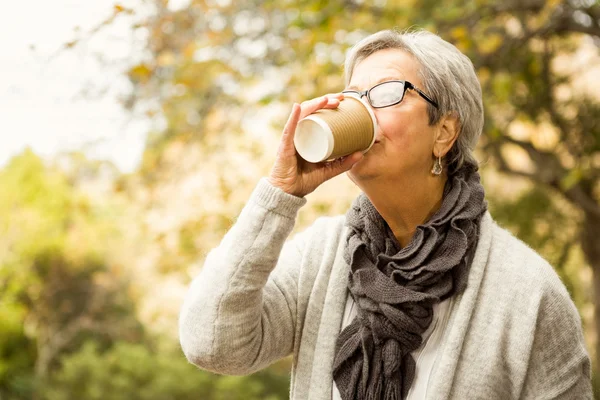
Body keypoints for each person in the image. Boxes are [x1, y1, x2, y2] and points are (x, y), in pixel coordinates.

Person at [178, 29, 592, 399]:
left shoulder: (528, 292)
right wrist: (279, 193)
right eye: (354, 95)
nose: (361, 110)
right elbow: (212, 343)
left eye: (386, 92)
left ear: (444, 133)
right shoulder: (321, 257)